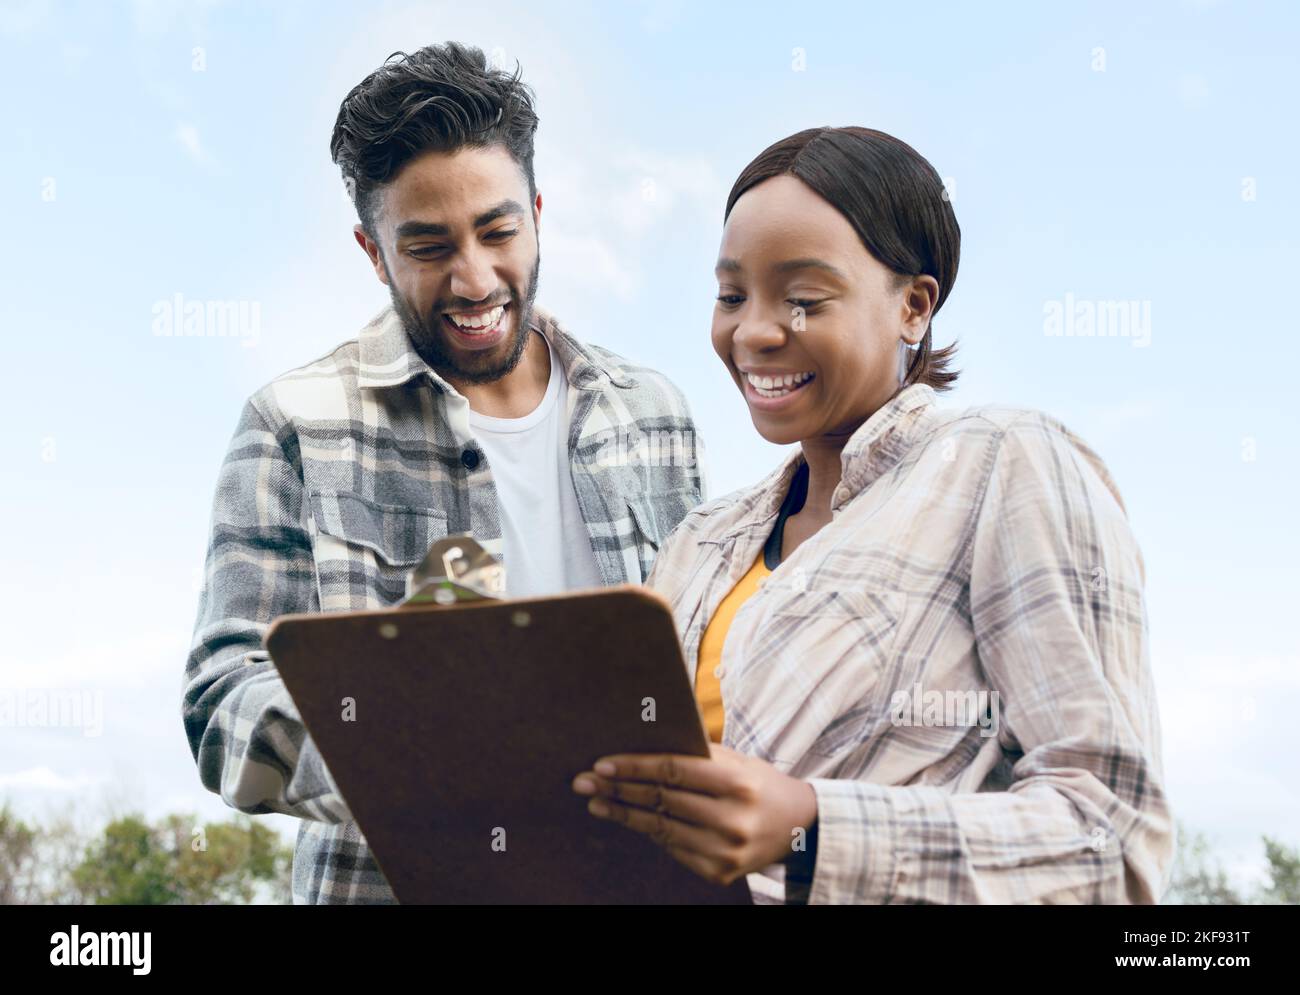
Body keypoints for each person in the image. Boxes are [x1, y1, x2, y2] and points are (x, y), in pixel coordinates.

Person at [572, 126, 1174, 905]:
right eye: (731, 295)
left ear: (914, 306)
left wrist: (814, 831)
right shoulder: (698, 544)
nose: (754, 330)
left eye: (804, 298)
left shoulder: (1005, 466)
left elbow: (1114, 842)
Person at [182, 42, 705, 904]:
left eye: (499, 232)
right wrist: (388, 742)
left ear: (538, 211)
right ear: (374, 252)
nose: (474, 279)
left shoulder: (652, 414)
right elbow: (221, 697)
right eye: (427, 246)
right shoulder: (294, 424)